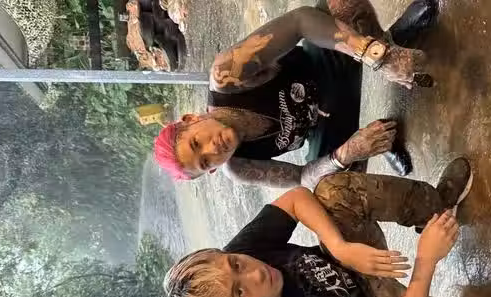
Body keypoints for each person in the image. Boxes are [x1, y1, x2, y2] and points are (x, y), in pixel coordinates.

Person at [163, 157, 491, 297]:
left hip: (353, 261)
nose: (255, 273)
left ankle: (437, 208)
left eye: (236, 264)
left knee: (332, 192)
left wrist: (340, 248)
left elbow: (296, 198)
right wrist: (426, 261)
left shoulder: (238, 255)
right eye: (240, 292)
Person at [153, 0, 437, 188]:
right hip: (327, 125)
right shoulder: (239, 168)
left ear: (190, 119)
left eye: (196, 143)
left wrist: (377, 56)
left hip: (325, 62)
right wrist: (349, 153)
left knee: (341, 4)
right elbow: (301, 178)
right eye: (205, 162)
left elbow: (300, 22)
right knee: (332, 192)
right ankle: (382, 139)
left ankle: (391, 45)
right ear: (212, 170)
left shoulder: (228, 75)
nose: (212, 149)